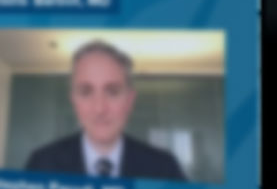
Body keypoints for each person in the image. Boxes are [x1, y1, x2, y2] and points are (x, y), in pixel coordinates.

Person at [22, 41, 189, 180]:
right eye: (86, 92)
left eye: (113, 92)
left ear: (129, 101)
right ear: (73, 100)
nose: (100, 108)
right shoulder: (41, 164)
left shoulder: (164, 168)